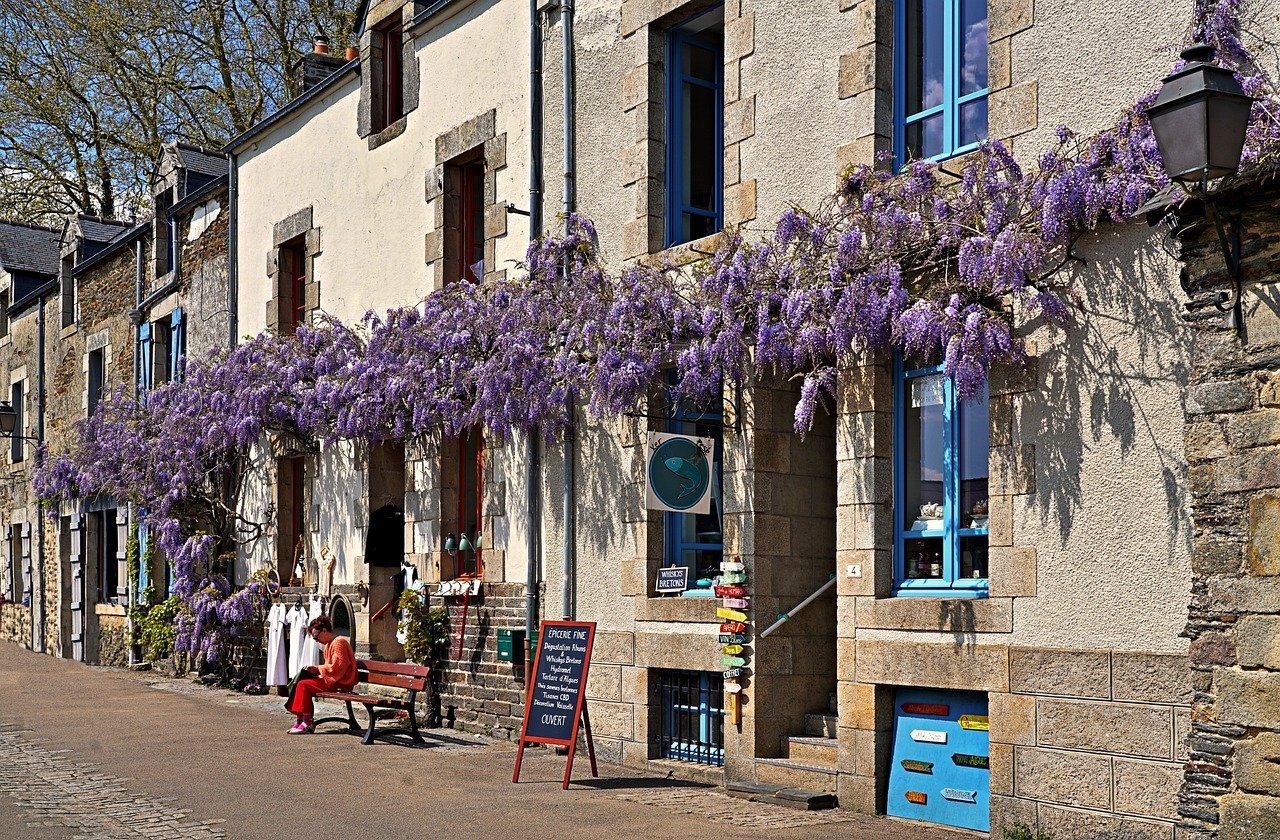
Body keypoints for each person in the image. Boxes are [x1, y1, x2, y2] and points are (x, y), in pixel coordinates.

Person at [285, 615, 358, 734]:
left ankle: (307, 721)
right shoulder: (329, 645)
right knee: (300, 683)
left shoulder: (339, 642)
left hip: (341, 682)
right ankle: (301, 720)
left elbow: (337, 667)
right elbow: (332, 668)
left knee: (303, 685)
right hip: (334, 680)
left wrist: (317, 669)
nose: (316, 640)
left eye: (316, 637)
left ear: (324, 630)